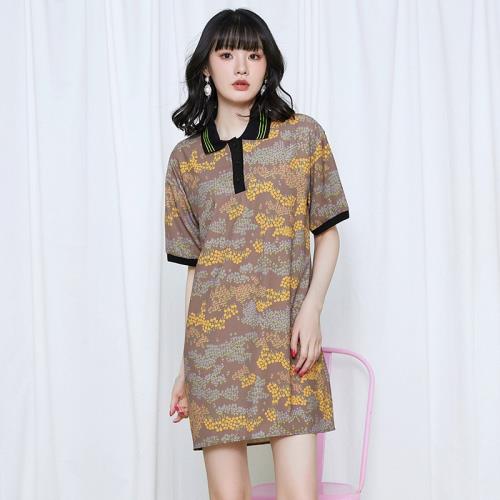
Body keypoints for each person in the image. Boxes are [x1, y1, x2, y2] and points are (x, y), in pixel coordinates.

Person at [165, 8, 349, 500]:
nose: (242, 67)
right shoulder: (185, 161)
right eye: (227, 55)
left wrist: (311, 310)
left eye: (253, 54)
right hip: (214, 358)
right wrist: (186, 367)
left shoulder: (302, 136)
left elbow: (327, 233)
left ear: (269, 64)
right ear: (206, 67)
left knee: (299, 495)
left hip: (288, 345)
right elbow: (195, 271)